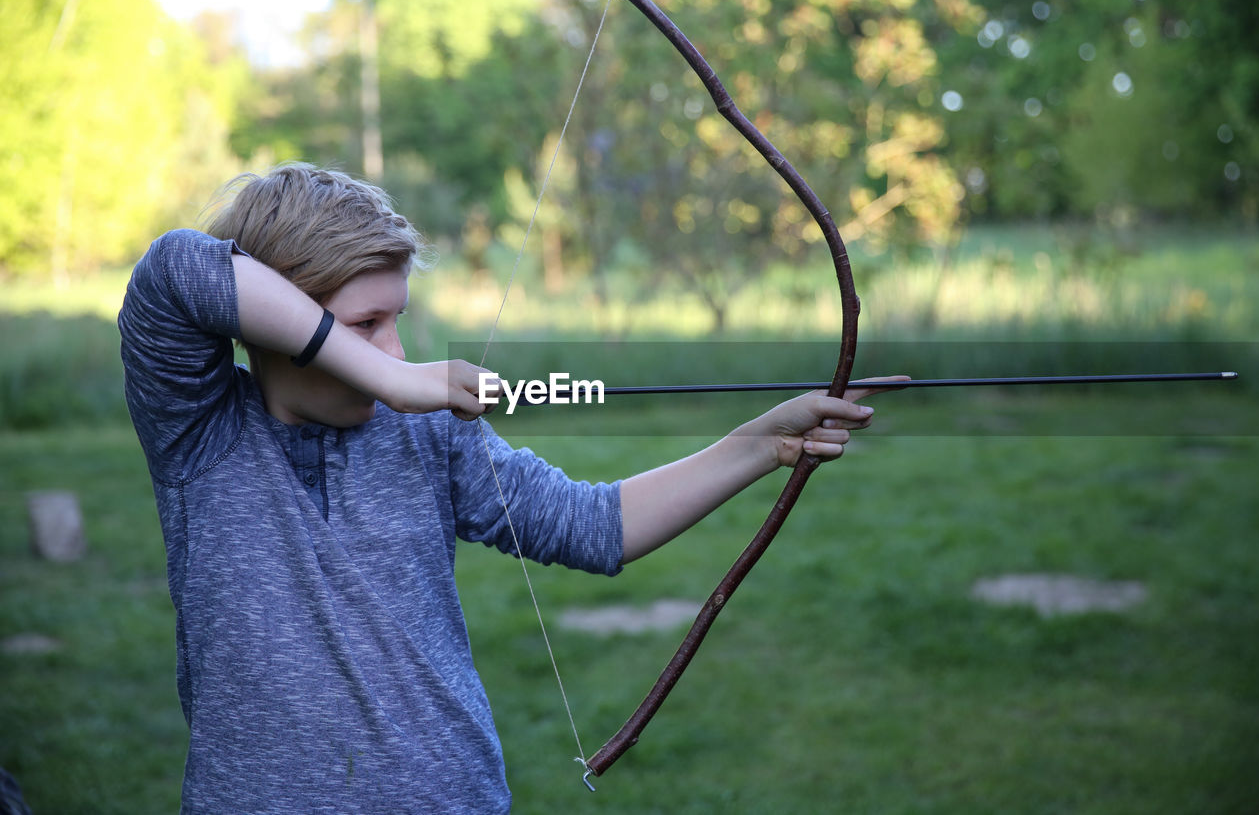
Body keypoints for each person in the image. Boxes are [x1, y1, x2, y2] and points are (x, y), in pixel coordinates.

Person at [118, 163, 900, 813]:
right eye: (365, 326)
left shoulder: (431, 433)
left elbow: (596, 525)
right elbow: (179, 268)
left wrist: (758, 444)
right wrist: (392, 377)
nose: (396, 348)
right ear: (275, 324)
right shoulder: (201, 433)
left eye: (399, 321)